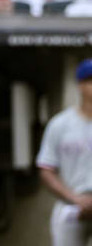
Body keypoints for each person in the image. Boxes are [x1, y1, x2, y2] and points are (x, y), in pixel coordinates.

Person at [37, 59, 92, 246]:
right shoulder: (60, 124)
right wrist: (75, 199)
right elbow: (46, 169)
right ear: (80, 85)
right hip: (71, 204)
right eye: (91, 80)